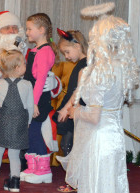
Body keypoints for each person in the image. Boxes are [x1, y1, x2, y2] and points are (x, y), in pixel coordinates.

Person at [0, 11, 61, 180]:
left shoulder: (30, 52)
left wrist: (55, 84)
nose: (11, 31)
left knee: (27, 115)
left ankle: (28, 161)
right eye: (6, 28)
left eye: (14, 27)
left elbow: (42, 75)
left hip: (23, 101)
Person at [57, 2, 139, 193]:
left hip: (98, 139)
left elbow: (94, 116)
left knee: (96, 181)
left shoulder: (98, 73)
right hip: (115, 137)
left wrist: (75, 111)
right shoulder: (122, 68)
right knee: (111, 180)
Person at [0, 49, 34, 192]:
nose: (26, 65)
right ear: (18, 68)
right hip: (20, 123)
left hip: (3, 121)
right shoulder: (27, 85)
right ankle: (14, 182)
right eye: (24, 63)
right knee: (14, 154)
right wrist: (28, 122)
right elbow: (30, 107)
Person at [20, 13, 59, 184]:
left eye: (29, 29)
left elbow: (41, 79)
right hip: (31, 98)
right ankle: (34, 167)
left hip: (38, 100)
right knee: (29, 133)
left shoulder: (45, 51)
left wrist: (33, 103)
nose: (27, 32)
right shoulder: (34, 50)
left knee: (34, 132)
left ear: (41, 30)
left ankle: (44, 170)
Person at [54, 29, 88, 192]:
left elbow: (78, 91)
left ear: (78, 45)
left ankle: (76, 182)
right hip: (74, 110)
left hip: (80, 112)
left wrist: (67, 108)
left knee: (72, 146)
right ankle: (74, 181)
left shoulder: (86, 64)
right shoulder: (81, 64)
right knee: (69, 144)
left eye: (67, 52)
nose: (66, 57)